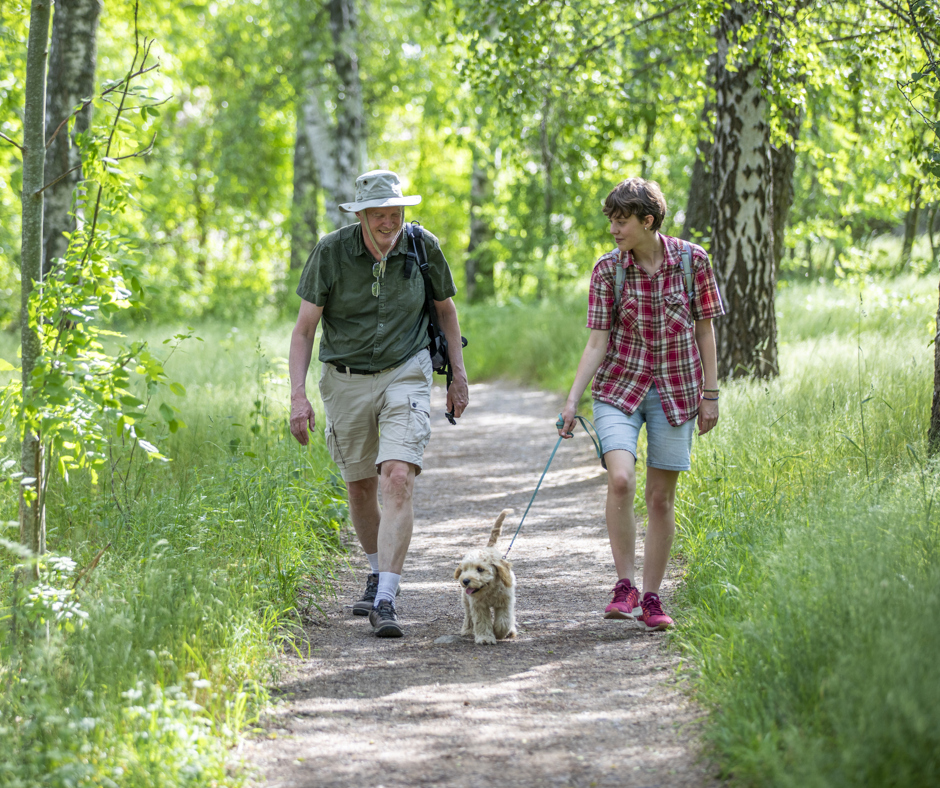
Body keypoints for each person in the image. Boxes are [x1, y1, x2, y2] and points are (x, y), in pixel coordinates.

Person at [289, 170, 469, 638]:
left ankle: (386, 597)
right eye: (380, 215)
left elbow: (446, 311)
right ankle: (375, 571)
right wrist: (297, 396)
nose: (390, 222)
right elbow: (305, 329)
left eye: (396, 213)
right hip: (344, 377)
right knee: (361, 485)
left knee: (396, 475)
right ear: (361, 215)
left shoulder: (421, 245)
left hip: (405, 370)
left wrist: (458, 376)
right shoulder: (331, 251)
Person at [558, 177, 724, 631]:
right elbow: (597, 342)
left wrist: (711, 394)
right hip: (618, 389)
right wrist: (573, 399)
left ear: (647, 221)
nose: (613, 229)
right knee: (621, 479)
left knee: (660, 499)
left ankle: (652, 598)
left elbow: (705, 331)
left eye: (622, 220)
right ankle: (624, 586)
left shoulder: (693, 262)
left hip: (677, 391)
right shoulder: (608, 270)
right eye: (611, 220)